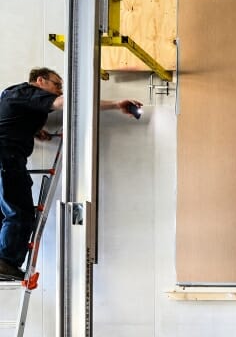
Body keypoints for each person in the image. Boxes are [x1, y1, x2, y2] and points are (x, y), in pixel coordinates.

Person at [0, 67, 141, 280]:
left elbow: (11, 118)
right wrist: (115, 104)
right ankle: (6, 263)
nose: (58, 91)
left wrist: (35, 131)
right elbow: (67, 102)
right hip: (7, 159)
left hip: (7, 157)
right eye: (57, 85)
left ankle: (4, 261)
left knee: (6, 211)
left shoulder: (13, 94)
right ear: (40, 80)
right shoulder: (30, 93)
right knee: (19, 212)